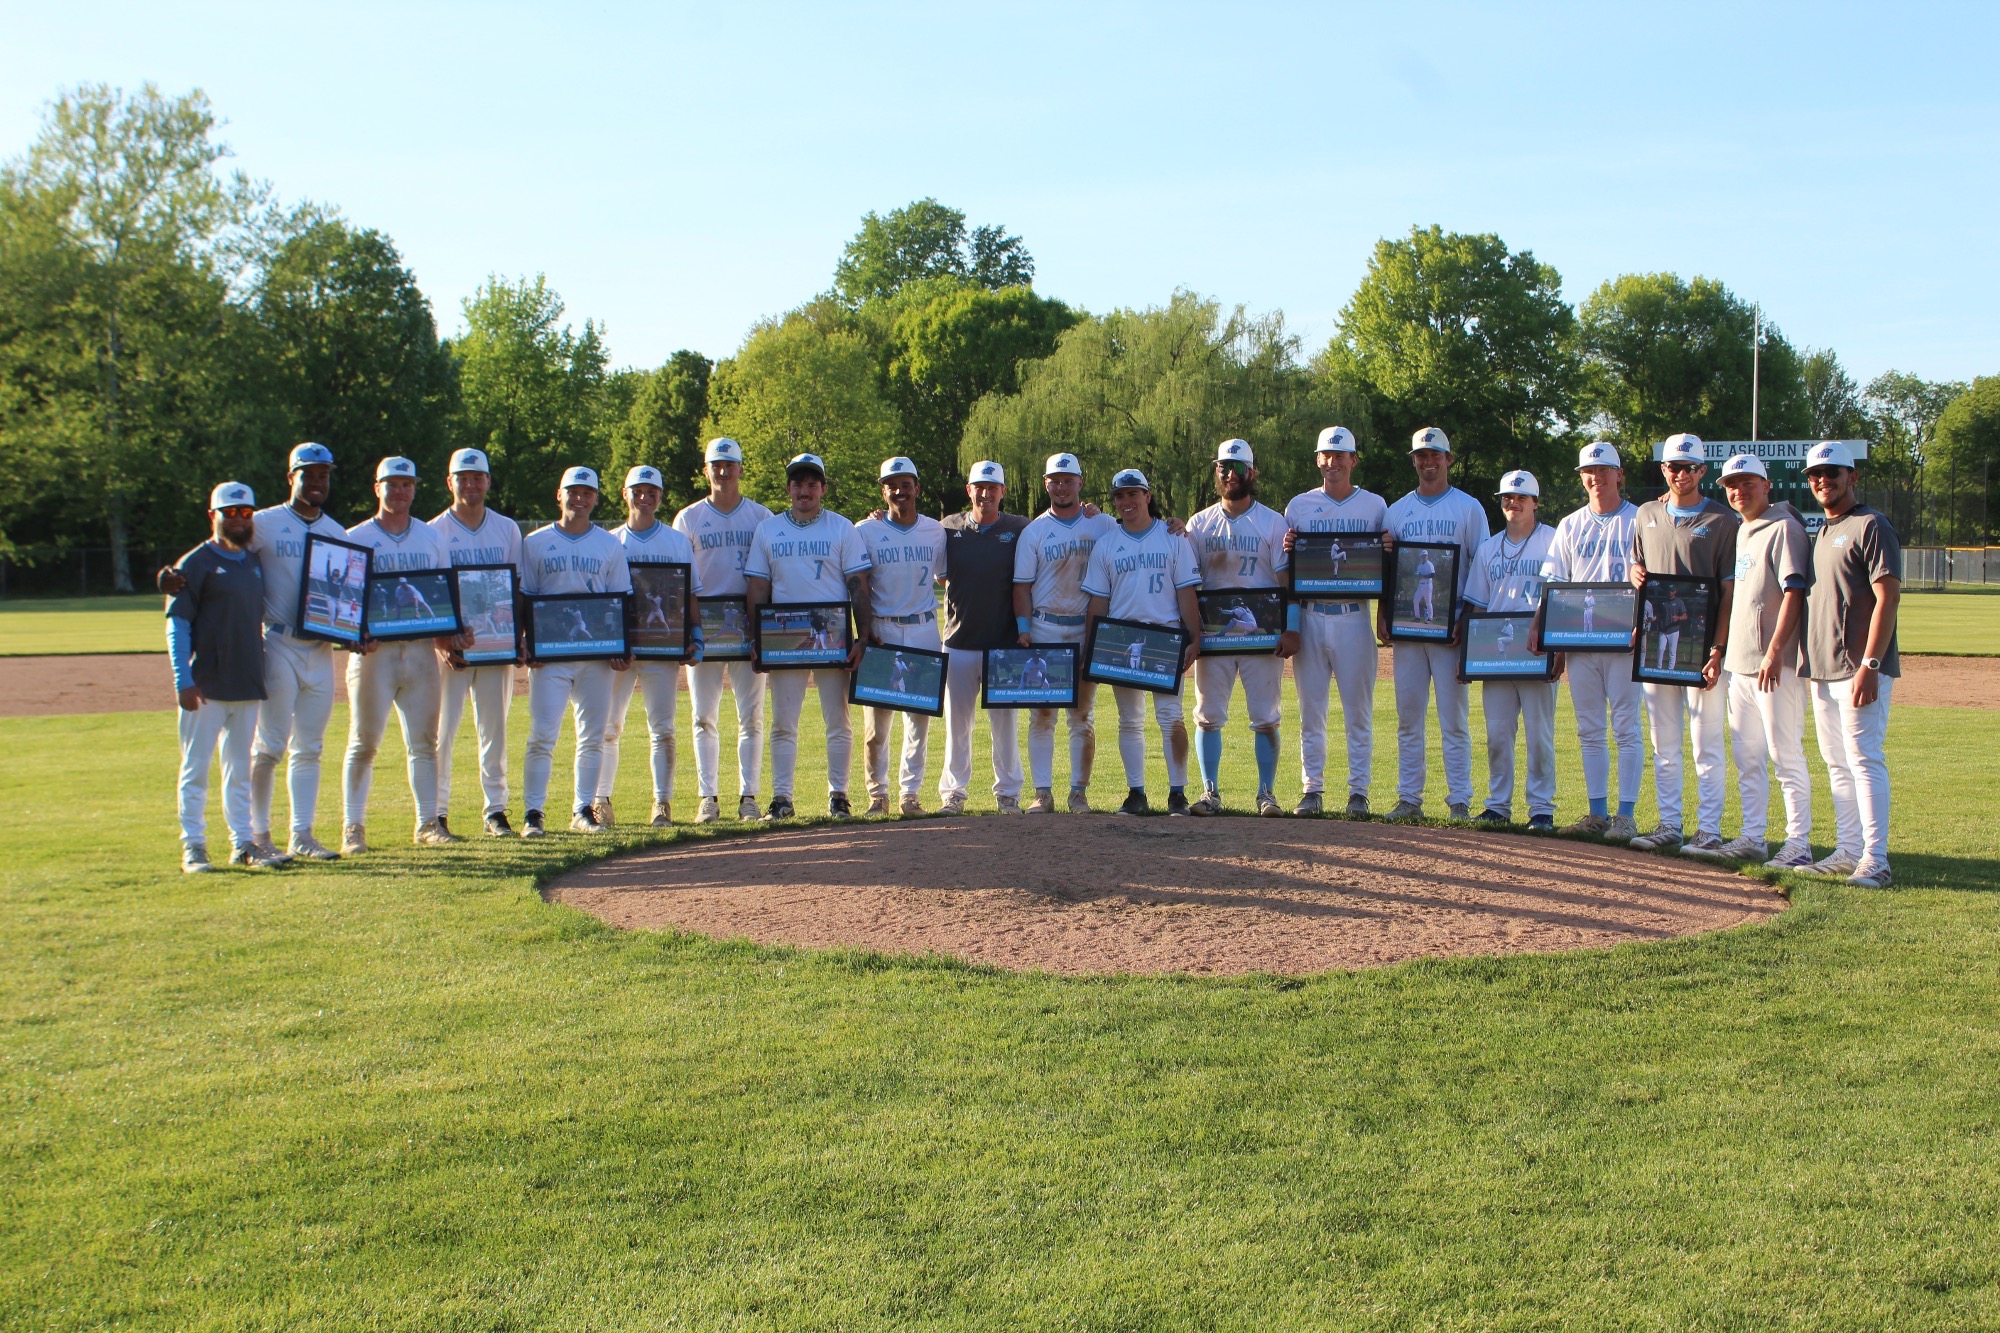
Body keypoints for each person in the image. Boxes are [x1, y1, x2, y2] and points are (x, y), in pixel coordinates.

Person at [158, 443, 353, 861]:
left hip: (319, 647)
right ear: (291, 477)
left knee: (309, 747)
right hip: (276, 643)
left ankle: (299, 834)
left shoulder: (338, 533)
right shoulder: (264, 522)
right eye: (308, 473)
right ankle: (253, 836)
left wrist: (355, 631)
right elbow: (210, 557)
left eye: (323, 474)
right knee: (268, 747)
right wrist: (169, 577)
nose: (317, 482)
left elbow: (349, 592)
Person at [1683, 453, 1815, 866]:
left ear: (1766, 484)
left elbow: (1794, 592)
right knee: (1748, 758)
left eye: (1748, 482)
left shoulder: (1784, 527)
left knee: (1785, 755)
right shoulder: (1743, 530)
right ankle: (1753, 837)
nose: (1739, 490)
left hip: (1774, 665)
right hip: (1740, 665)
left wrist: (1775, 652)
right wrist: (1721, 652)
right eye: (1731, 485)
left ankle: (1799, 844)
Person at [166, 483, 288, 872]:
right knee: (196, 770)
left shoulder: (251, 560)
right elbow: (177, 624)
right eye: (230, 512)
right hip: (206, 684)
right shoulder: (195, 563)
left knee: (239, 772)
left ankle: (243, 843)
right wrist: (183, 679)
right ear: (212, 515)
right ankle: (194, 846)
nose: (238, 519)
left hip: (246, 681)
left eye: (245, 512)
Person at [744, 452, 872, 819]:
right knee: (784, 722)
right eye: (798, 483)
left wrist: (862, 637)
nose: (805, 490)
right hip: (784, 638)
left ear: (823, 489)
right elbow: (758, 587)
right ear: (788, 488)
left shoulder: (841, 527)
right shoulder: (768, 529)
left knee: (838, 720)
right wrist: (757, 640)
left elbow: (858, 585)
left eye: (812, 484)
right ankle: (782, 799)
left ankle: (839, 796)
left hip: (832, 637)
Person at [336, 457, 455, 853]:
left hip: (419, 652)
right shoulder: (356, 536)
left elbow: (441, 596)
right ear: (377, 488)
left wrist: (451, 632)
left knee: (424, 742)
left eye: (407, 484)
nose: (400, 491)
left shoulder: (431, 537)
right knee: (363, 742)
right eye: (392, 484)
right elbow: (345, 599)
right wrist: (354, 633)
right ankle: (353, 827)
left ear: (415, 489)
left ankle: (428, 823)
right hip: (375, 655)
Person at [1629, 433, 1740, 855]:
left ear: (1702, 470)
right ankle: (1670, 825)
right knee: (1664, 744)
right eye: (1674, 466)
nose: (1681, 474)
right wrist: (1634, 574)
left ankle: (1709, 829)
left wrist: (1718, 649)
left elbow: (1728, 592)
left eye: (1690, 467)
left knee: (1706, 742)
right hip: (1655, 640)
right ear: (1663, 469)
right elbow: (1639, 569)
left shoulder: (1722, 520)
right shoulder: (1646, 513)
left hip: (1703, 646)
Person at [1802, 440, 1901, 887]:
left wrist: (1871, 664)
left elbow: (1888, 598)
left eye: (1832, 473)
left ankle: (1876, 858)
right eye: (1815, 475)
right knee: (1837, 763)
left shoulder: (1871, 524)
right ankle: (1847, 850)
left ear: (1852, 476)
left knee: (1864, 759)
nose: (1823, 480)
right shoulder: (1823, 531)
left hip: (1860, 668)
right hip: (1823, 668)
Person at [1380, 426, 1489, 820]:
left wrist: (1469, 619)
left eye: (1435, 455)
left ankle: (1459, 800)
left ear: (1449, 459)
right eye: (1421, 456)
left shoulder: (1468, 508)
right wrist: (1384, 612)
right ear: (1414, 460)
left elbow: (1482, 566)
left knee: (1453, 719)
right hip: (1408, 629)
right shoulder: (1396, 510)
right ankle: (1409, 798)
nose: (1428, 462)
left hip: (1452, 623)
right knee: (1408, 718)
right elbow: (1388, 570)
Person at [520, 466, 634, 837]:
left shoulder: (609, 544)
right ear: (560, 494)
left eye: (587, 493)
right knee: (542, 735)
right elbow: (526, 597)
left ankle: (583, 809)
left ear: (596, 498)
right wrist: (525, 639)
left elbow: (621, 600)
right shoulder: (535, 542)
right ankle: (533, 813)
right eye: (573, 491)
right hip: (549, 656)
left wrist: (622, 646)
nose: (580, 498)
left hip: (596, 657)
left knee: (592, 736)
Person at [1081, 468, 1202, 815]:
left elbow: (1186, 593)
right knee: (1130, 720)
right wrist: (1092, 647)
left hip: (1165, 635)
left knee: (1171, 717)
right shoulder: (1107, 544)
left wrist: (1195, 637)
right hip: (1122, 636)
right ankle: (1136, 793)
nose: (1126, 501)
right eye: (1120, 496)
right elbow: (1098, 602)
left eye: (1133, 493)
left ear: (1147, 496)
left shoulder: (1172, 537)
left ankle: (1177, 792)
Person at [1540, 442, 1644, 841]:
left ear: (1619, 474)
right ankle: (1597, 813)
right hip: (1581, 640)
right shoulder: (1570, 524)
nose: (1596, 477)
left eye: (1603, 470)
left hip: (1624, 639)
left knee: (1626, 728)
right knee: (1589, 729)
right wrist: (1550, 638)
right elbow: (1555, 584)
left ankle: (1626, 815)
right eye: (1589, 471)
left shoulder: (1639, 519)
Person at [1283, 425, 1388, 817]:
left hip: (1353, 616)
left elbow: (1388, 564)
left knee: (1358, 712)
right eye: (1326, 455)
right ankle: (1312, 790)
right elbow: (1288, 569)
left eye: (1341, 455)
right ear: (1317, 459)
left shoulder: (1375, 506)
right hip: (1311, 616)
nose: (1333, 462)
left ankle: (1359, 792)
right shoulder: (1299, 505)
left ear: (1353, 460)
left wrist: (1388, 550)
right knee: (1311, 712)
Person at [1186, 439, 1290, 817]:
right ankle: (1210, 792)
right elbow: (1187, 582)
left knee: (1266, 716)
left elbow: (1285, 581)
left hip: (1262, 634)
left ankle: (1266, 793)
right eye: (1224, 467)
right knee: (1208, 714)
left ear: (1252, 472)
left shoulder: (1273, 521)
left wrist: (1290, 627)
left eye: (1239, 467)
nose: (1231, 474)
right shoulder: (1199, 523)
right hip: (1213, 637)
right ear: (1216, 471)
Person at [596, 465, 704, 828]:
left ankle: (662, 803)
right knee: (608, 726)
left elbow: (690, 593)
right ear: (624, 494)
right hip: (620, 649)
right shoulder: (609, 541)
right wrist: (608, 642)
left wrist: (695, 634)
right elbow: (603, 599)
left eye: (652, 492)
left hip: (662, 648)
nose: (645, 497)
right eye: (638, 491)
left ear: (660, 496)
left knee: (663, 728)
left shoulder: (676, 540)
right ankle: (601, 801)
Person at [673, 438, 773, 822]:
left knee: (752, 716)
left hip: (749, 625)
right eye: (716, 464)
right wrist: (688, 630)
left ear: (741, 469)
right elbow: (682, 582)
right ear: (706, 470)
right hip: (705, 625)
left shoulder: (761, 517)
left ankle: (749, 797)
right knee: (703, 716)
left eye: (730, 464)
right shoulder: (688, 518)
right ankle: (708, 797)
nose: (723, 470)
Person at [428, 447, 524, 838]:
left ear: (487, 481)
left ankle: (496, 810)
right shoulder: (433, 531)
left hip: (495, 645)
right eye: (462, 478)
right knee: (441, 733)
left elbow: (516, 588)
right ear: (450, 482)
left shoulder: (507, 528)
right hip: (450, 649)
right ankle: (435, 813)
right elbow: (432, 593)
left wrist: (516, 637)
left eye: (477, 477)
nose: (470, 484)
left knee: (494, 732)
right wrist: (441, 641)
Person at [1013, 452, 1117, 812]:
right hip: (1045, 627)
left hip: (1085, 629)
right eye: (1054, 481)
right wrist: (1024, 629)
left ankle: (1078, 792)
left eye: (1067, 480)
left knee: (1082, 716)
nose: (1061, 487)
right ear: (1046, 484)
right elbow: (1022, 586)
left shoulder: (1103, 524)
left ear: (1080, 483)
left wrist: (1175, 526)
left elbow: (1138, 533)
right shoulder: (1034, 530)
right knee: (1042, 715)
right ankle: (1042, 793)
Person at [1462, 470, 1557, 828]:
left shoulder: (1552, 541)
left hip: (1537, 651)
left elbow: (1561, 597)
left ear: (1535, 502)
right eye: (1507, 498)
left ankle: (1541, 809)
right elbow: (1478, 607)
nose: (1513, 503)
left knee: (1539, 735)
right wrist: (1470, 658)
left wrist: (1558, 651)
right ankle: (1498, 806)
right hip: (1497, 656)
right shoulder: (1488, 548)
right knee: (1498, 735)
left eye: (1520, 497)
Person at [856, 456, 946, 815]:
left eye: (906, 484)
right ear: (883, 492)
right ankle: (877, 794)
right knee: (876, 726)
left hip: (924, 628)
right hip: (883, 629)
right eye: (892, 485)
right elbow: (858, 584)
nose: (899, 490)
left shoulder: (935, 530)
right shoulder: (865, 530)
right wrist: (864, 631)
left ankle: (910, 793)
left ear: (917, 488)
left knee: (918, 723)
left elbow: (945, 577)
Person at [938, 461, 1030, 814]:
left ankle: (1008, 793)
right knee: (957, 728)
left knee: (1005, 727)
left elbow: (1061, 525)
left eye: (993, 487)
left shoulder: (1020, 527)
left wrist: (1090, 512)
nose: (986, 493)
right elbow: (941, 576)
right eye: (980, 487)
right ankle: (953, 794)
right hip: (958, 643)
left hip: (1002, 646)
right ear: (969, 490)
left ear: (1002, 491)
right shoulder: (948, 528)